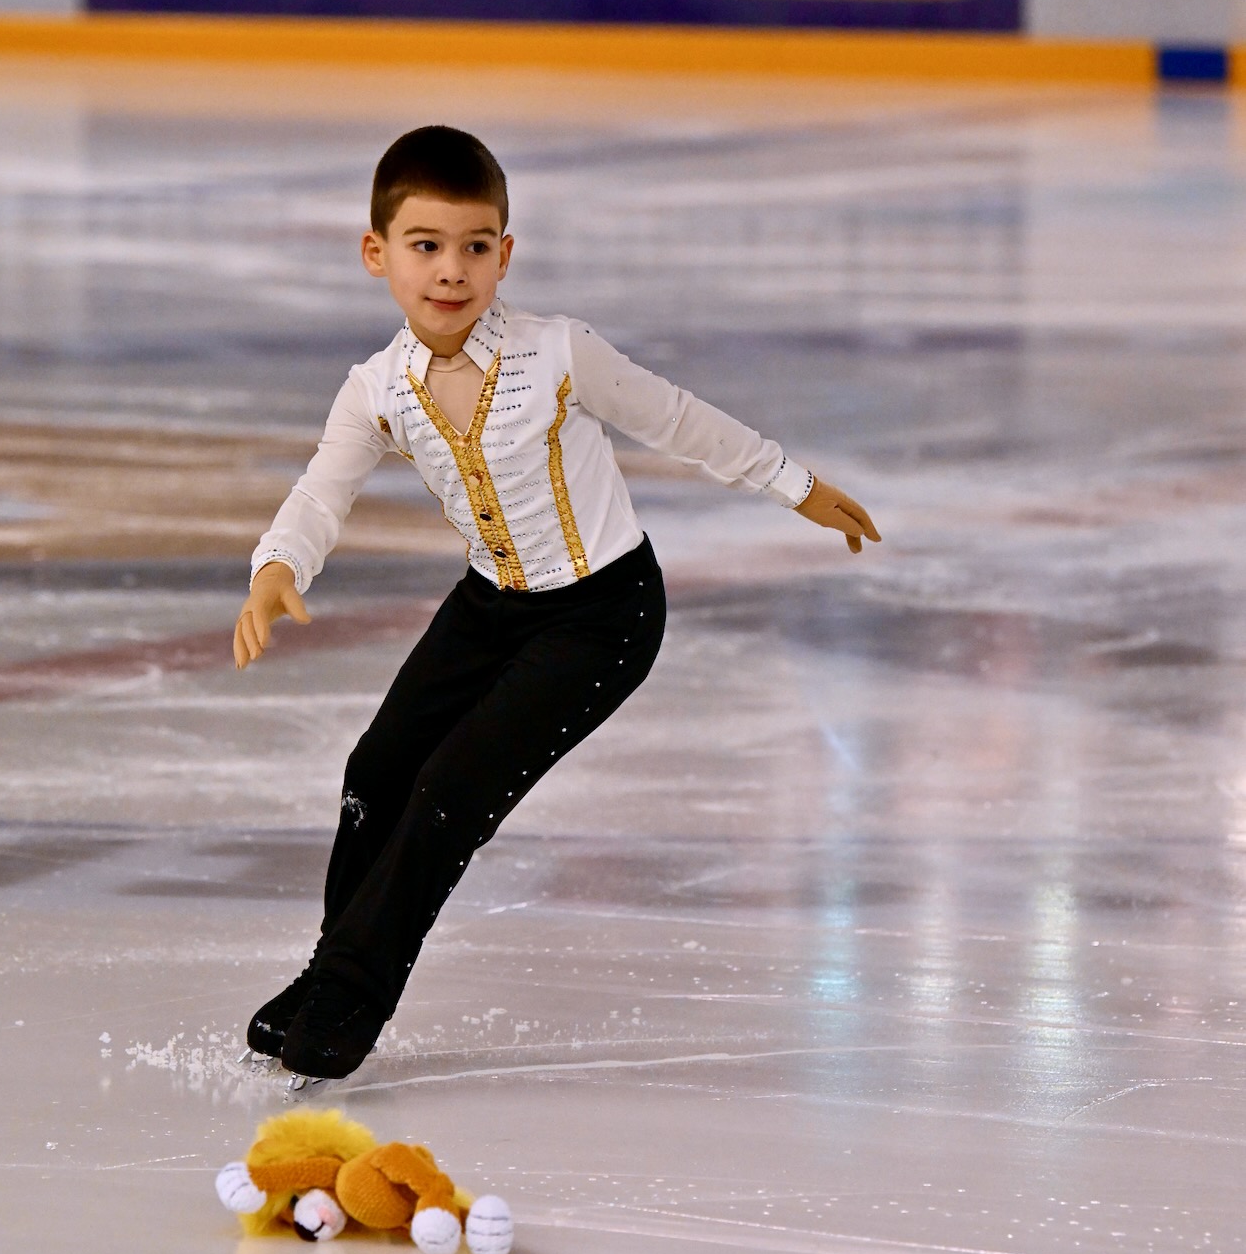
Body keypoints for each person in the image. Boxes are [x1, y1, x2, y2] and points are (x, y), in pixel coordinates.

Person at [234, 124, 879, 1080]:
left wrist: (795, 484)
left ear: (505, 253)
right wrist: (277, 566)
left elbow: (677, 419)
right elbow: (321, 491)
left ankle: (347, 1002)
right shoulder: (377, 390)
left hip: (603, 618)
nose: (451, 270)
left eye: (475, 246)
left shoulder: (558, 353)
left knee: (448, 795)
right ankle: (332, 970)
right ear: (377, 253)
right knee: (378, 771)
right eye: (426, 245)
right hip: (489, 605)